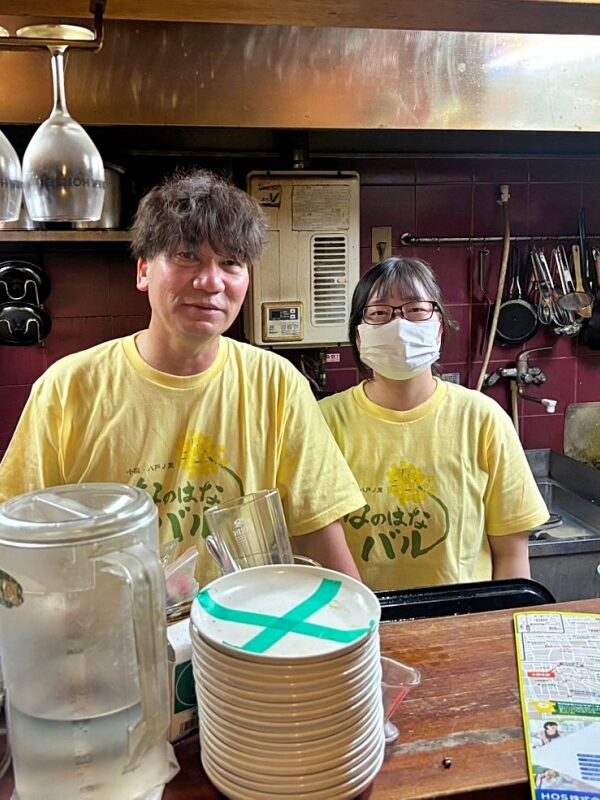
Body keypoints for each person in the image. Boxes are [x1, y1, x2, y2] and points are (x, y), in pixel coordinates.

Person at [0, 169, 364, 585]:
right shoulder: (68, 388)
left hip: (246, 621)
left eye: (230, 262)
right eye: (187, 255)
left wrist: (362, 623)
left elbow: (318, 534)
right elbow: (16, 541)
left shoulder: (277, 385)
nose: (211, 281)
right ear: (143, 271)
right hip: (114, 621)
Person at [319, 256, 549, 592]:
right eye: (380, 313)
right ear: (359, 336)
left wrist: (496, 621)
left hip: (464, 618)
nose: (399, 325)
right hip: (360, 619)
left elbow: (512, 555)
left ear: (439, 328)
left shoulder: (483, 419)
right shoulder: (323, 423)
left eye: (415, 310)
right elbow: (313, 548)